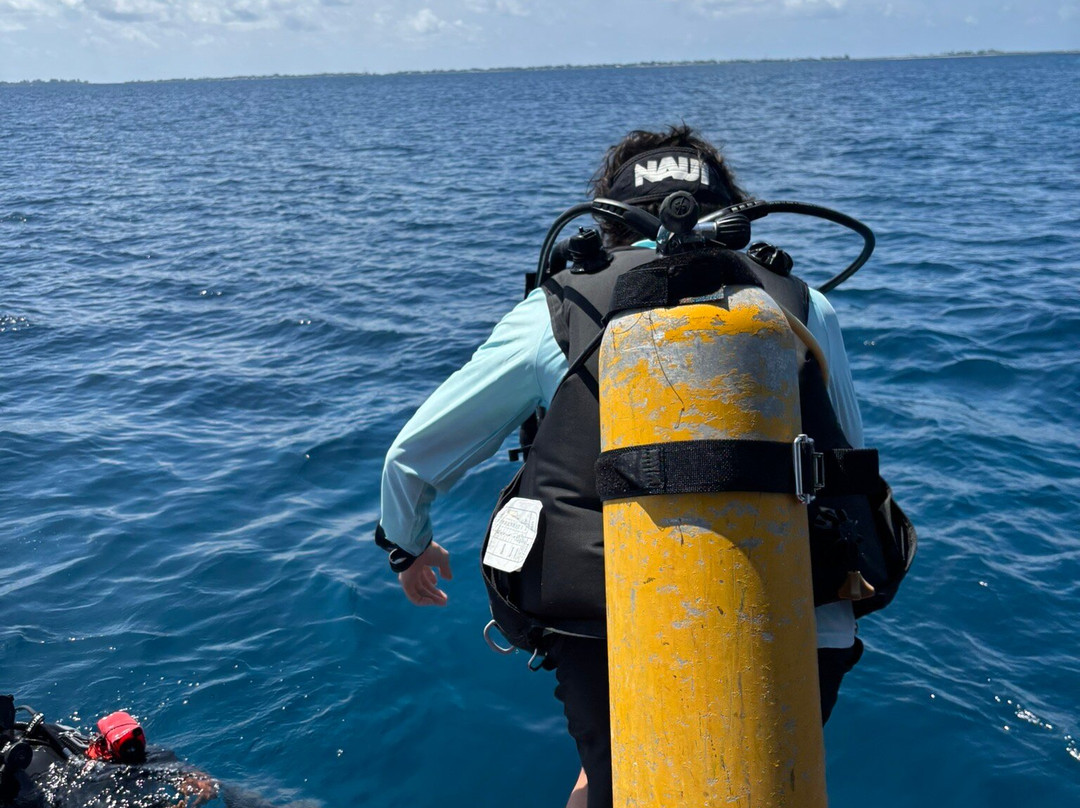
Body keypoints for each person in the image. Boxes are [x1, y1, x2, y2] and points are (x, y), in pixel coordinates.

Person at [376, 125, 868, 808]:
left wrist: (406, 548)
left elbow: (412, 456)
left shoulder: (561, 305)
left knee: (614, 777)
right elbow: (848, 458)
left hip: (607, 629)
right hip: (798, 619)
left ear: (606, 221)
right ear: (730, 210)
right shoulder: (803, 303)